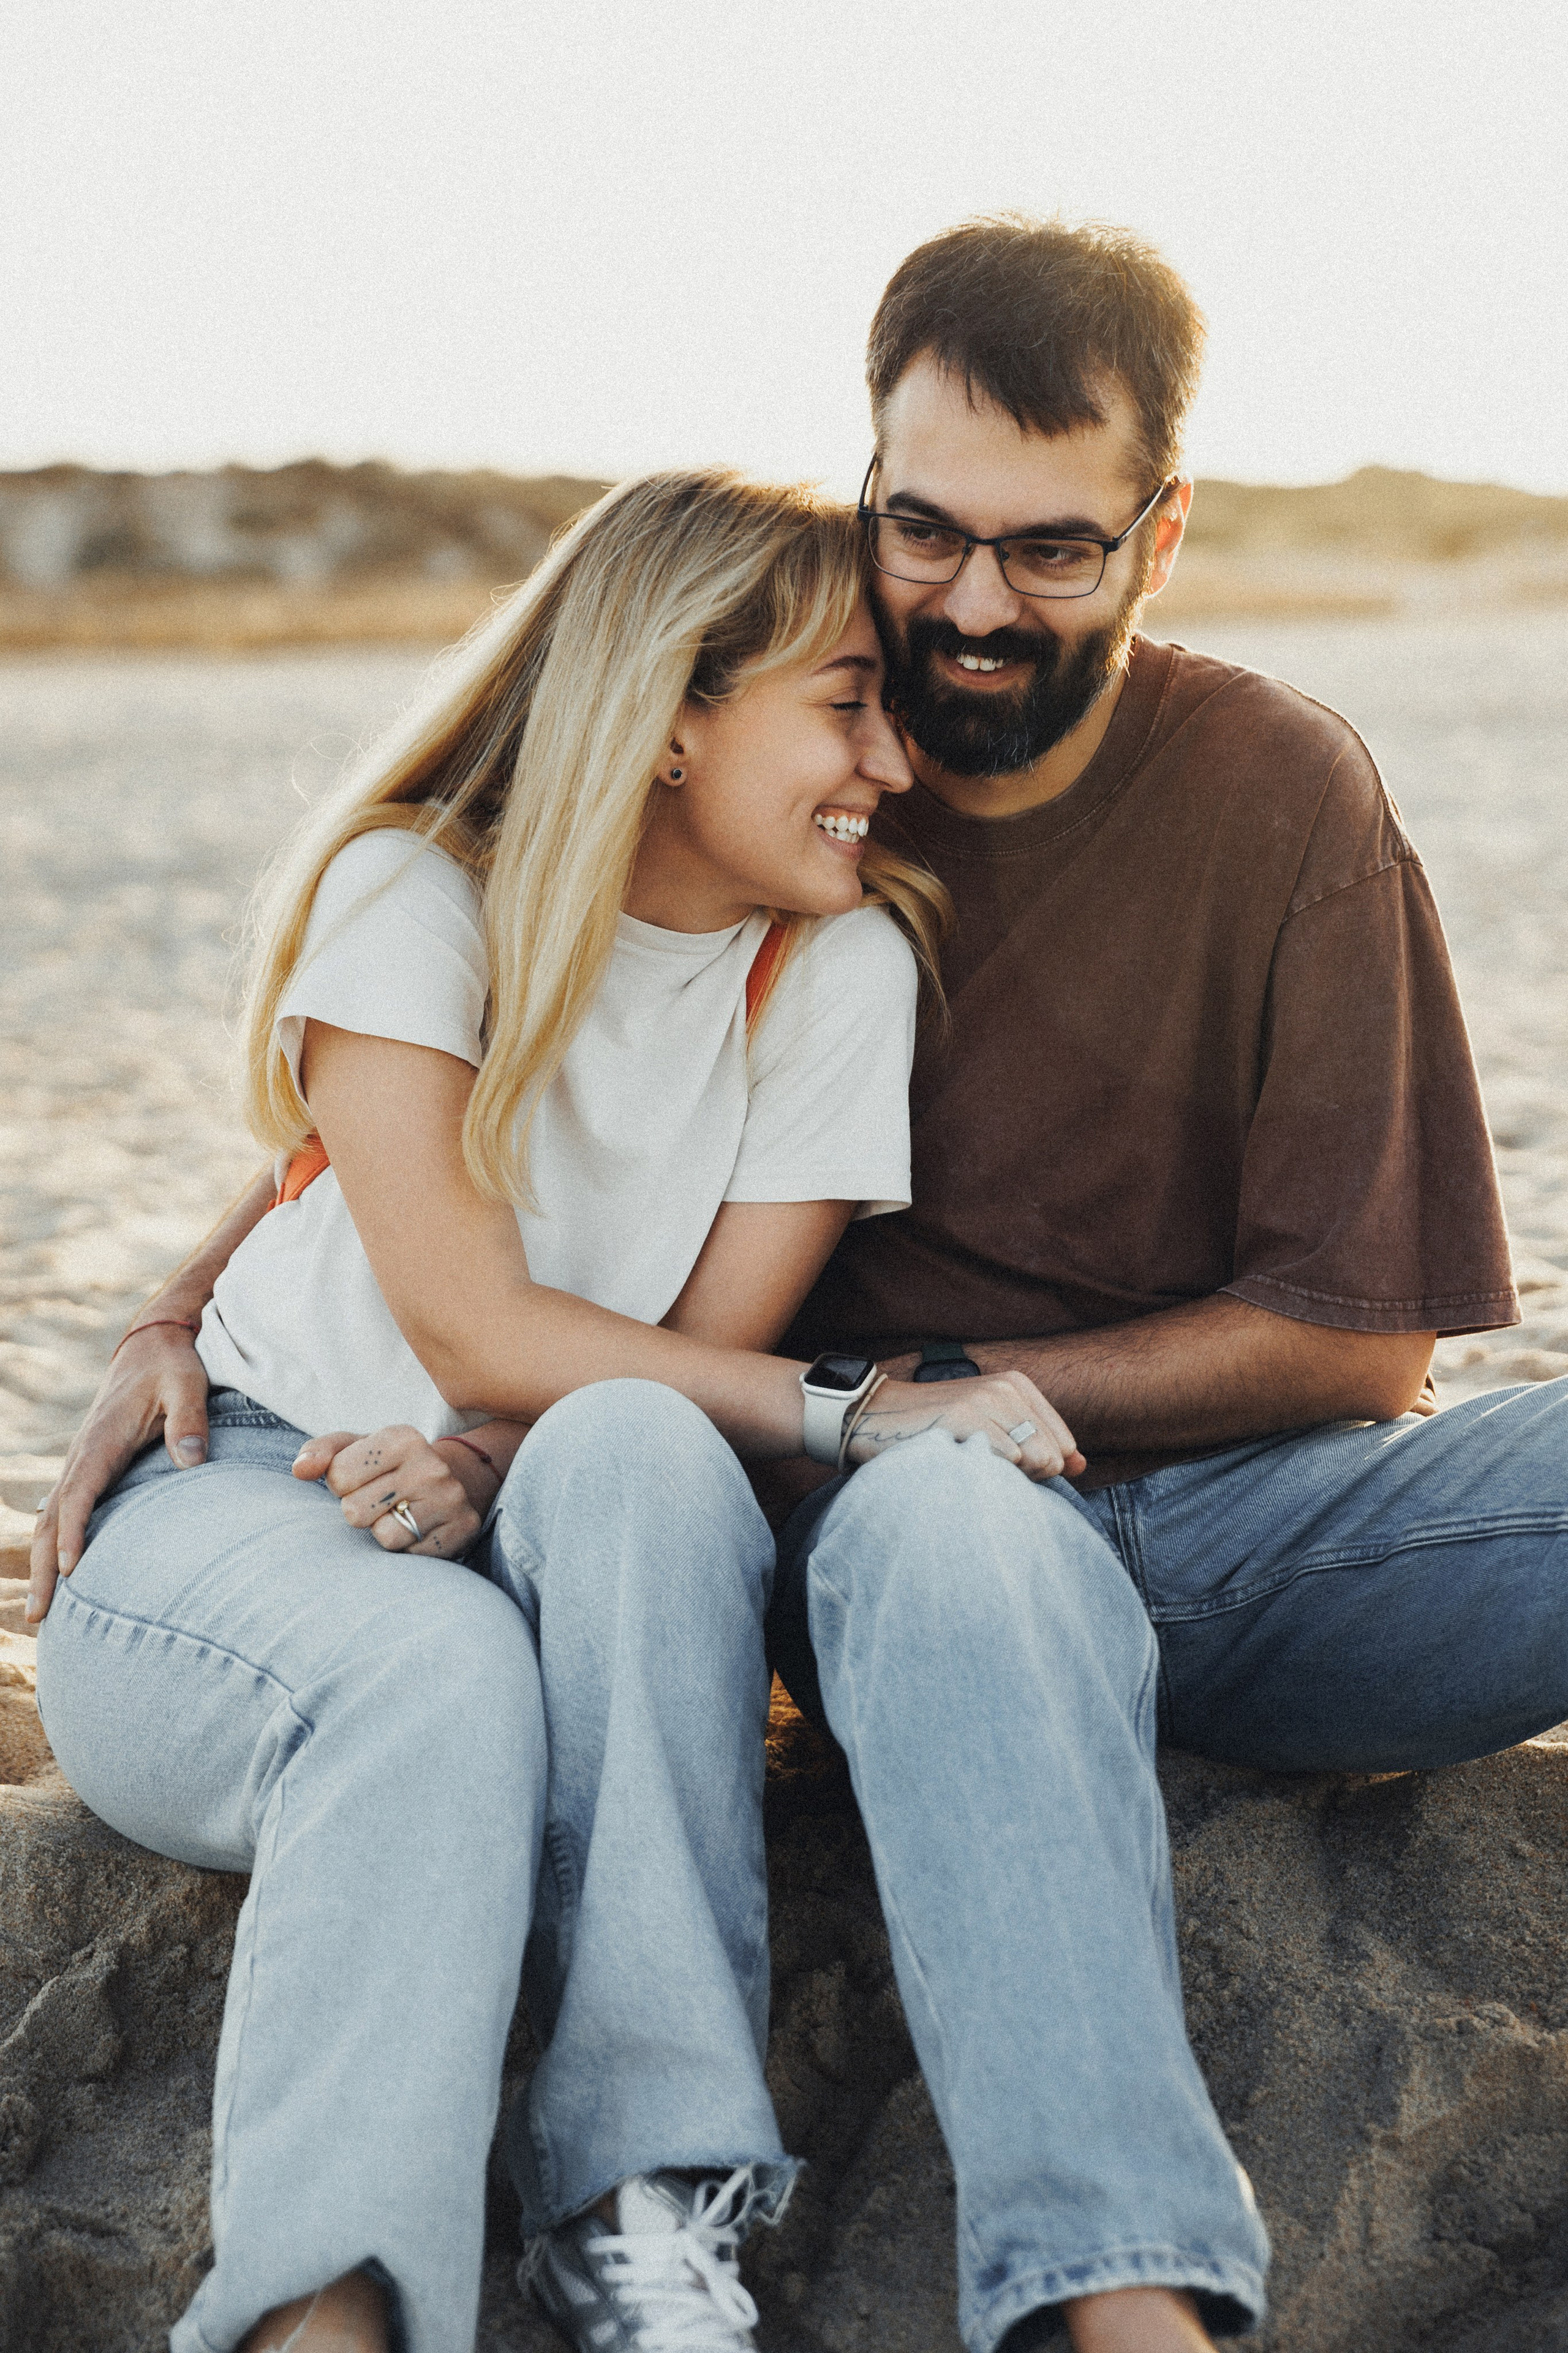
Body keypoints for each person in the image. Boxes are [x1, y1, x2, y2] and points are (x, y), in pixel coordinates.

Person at [36, 217, 1568, 2353]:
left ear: (1162, 533)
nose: (968, 612)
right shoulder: (794, 770)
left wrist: (959, 1389)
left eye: (1053, 549)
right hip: (874, 1523)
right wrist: (177, 1304)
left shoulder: (1211, 808)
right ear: (868, 495)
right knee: (890, 1525)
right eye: (926, 533)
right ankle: (1095, 2301)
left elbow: (1369, 1342)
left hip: (1208, 1517)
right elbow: (447, 1070)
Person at [26, 467, 1081, 2353]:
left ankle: (642, 2209)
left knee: (619, 1477)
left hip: (527, 1514)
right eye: (846, 703)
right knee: (431, 1668)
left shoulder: (834, 964)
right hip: (236, 1492)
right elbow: (476, 1317)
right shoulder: (417, 890)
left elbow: (667, 1369)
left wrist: (482, 1461)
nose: (891, 762)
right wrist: (860, 1412)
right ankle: (319, 2326)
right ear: (673, 713)